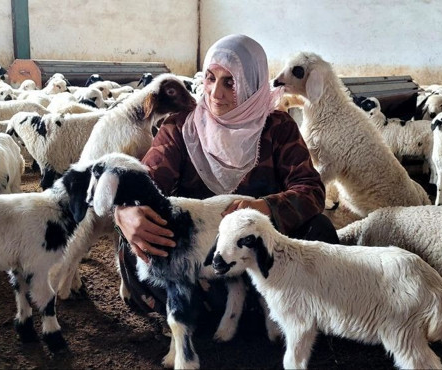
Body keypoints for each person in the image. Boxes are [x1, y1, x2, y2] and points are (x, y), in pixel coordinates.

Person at [113, 34, 338, 313]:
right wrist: (125, 212)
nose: (215, 93)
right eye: (210, 78)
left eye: (230, 82)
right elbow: (146, 183)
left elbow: (311, 190)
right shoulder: (181, 128)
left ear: (252, 83)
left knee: (320, 229)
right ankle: (258, 314)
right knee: (134, 235)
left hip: (260, 257)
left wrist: (264, 209)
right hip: (199, 258)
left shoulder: (278, 128)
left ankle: (214, 315)